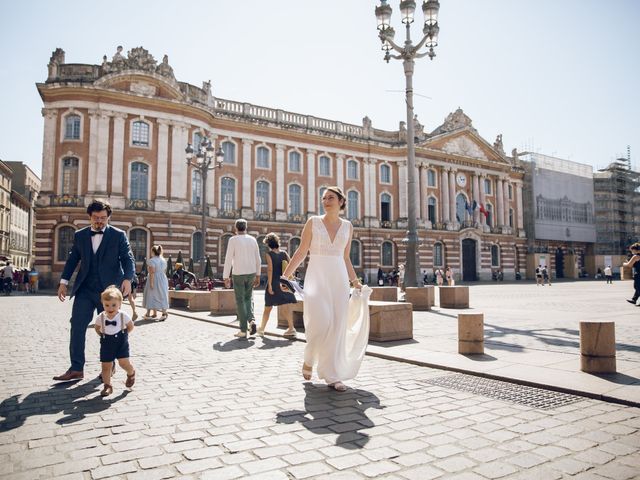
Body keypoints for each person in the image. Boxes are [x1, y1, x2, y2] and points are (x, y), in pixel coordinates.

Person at [282, 186, 368, 393]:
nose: (326, 201)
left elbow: (346, 257)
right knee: (321, 322)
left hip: (338, 279)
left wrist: (354, 281)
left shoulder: (348, 226)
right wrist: (285, 276)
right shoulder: (313, 222)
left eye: (331, 197)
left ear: (341, 201)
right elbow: (302, 251)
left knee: (337, 325)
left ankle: (332, 375)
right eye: (324, 198)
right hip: (317, 279)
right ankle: (309, 358)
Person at [54, 199, 136, 382]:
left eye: (103, 218)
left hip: (109, 293)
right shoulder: (80, 235)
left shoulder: (118, 235)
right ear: (89, 217)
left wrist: (128, 279)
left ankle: (110, 367)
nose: (100, 221)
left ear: (108, 217)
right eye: (96, 218)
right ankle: (76, 368)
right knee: (77, 325)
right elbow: (72, 260)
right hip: (85, 289)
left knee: (109, 330)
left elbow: (128, 259)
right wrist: (63, 282)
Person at [93, 285, 136, 397]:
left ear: (119, 304)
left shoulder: (123, 316)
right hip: (106, 343)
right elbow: (97, 328)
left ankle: (131, 373)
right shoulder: (101, 317)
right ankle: (107, 386)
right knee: (106, 366)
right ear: (103, 304)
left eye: (113, 305)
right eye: (107, 305)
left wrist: (124, 334)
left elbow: (130, 326)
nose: (110, 308)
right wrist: (103, 335)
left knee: (123, 363)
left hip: (121, 343)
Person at [223, 218, 261, 338]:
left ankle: (243, 330)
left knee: (240, 301)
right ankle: (252, 321)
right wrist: (258, 275)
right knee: (248, 298)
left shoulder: (233, 240)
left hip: (238, 273)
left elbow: (228, 258)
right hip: (251, 273)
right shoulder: (253, 239)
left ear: (235, 228)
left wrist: (225, 277)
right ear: (246, 228)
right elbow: (258, 259)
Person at [256, 233, 297, 337]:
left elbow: (270, 269)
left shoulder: (269, 254)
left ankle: (290, 328)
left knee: (270, 307)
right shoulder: (284, 253)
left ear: (269, 244)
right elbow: (292, 264)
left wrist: (269, 285)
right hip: (284, 282)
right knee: (277, 306)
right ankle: (262, 329)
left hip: (274, 283)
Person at [143, 245, 170, 321]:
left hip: (155, 278)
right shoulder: (163, 260)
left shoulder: (152, 260)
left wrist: (151, 283)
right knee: (162, 295)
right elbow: (164, 271)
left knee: (150, 295)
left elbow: (152, 272)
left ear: (153, 252)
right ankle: (163, 313)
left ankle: (148, 314)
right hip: (163, 278)